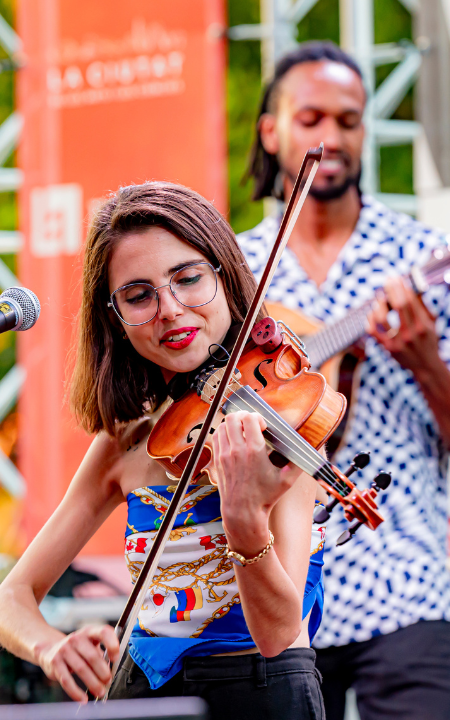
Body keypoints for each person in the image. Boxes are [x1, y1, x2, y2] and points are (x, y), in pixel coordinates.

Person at [0, 182, 327, 720]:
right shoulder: (125, 441)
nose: (171, 310)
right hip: (141, 697)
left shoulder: (280, 422)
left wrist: (245, 519)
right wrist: (50, 647)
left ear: (225, 277)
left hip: (262, 695)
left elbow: (277, 633)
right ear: (116, 319)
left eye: (188, 278)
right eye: (138, 295)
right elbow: (14, 596)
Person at [238, 40, 450, 720]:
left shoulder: (421, 260)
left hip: (400, 589)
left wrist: (426, 362)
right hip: (266, 601)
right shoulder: (234, 273)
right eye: (311, 118)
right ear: (272, 129)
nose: (332, 136)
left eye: (348, 120)